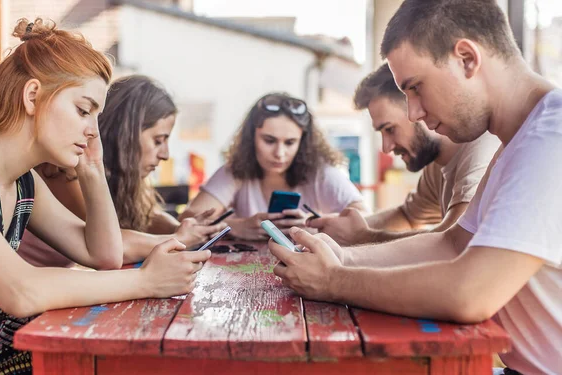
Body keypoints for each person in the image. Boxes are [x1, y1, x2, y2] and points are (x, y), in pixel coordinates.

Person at [269, 0, 562, 373]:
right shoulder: (520, 138)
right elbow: (452, 242)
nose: (414, 113)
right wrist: (343, 256)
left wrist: (334, 280)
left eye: (416, 87)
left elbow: (471, 293)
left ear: (467, 59)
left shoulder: (550, 139)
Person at [0, 18, 209, 374]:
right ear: (33, 96)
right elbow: (19, 291)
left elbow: (102, 254)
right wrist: (144, 281)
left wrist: (92, 170)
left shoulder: (23, 181)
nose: (93, 131)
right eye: (83, 110)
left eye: (97, 116)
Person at [18, 75, 225, 267]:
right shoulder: (68, 169)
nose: (165, 154)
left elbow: (149, 216)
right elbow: (112, 245)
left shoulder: (115, 178)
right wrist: (178, 239)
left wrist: (186, 229)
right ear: (126, 136)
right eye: (158, 140)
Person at [308, 63, 500, 245]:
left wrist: (362, 237)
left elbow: (452, 243)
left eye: (390, 129)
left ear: (419, 110)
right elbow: (407, 217)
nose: (386, 147)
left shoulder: (480, 152)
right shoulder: (439, 164)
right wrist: (338, 226)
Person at [181, 93, 368, 240]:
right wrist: (236, 226)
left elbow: (364, 218)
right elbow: (189, 219)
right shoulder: (236, 171)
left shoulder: (322, 174)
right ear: (251, 138)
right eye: (269, 141)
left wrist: (313, 223)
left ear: (302, 143)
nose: (280, 153)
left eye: (290, 142)